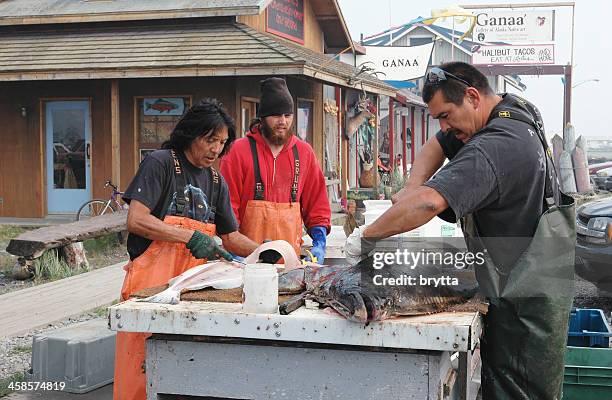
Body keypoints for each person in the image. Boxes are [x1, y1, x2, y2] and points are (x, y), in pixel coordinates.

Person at [346, 62, 575, 399]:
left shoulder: (495, 147)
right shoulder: (512, 109)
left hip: (525, 313)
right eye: (438, 117)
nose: (444, 126)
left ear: (472, 96)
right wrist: (411, 185)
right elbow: (438, 145)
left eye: (446, 115)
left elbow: (428, 204)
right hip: (531, 282)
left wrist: (366, 237)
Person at [114, 99, 258, 400]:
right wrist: (189, 236)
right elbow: (136, 220)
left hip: (193, 294)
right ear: (191, 133)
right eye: (210, 140)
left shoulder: (216, 180)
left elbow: (230, 236)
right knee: (140, 371)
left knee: (186, 373)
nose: (216, 149)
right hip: (149, 290)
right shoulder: (161, 163)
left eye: (222, 142)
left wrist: (267, 252)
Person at [221, 77, 331, 263]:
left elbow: (317, 205)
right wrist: (234, 251)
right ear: (262, 117)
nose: (282, 122)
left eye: (288, 116)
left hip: (291, 263)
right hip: (246, 261)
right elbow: (226, 208)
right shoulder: (237, 151)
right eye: (276, 116)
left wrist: (319, 241)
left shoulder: (305, 153)